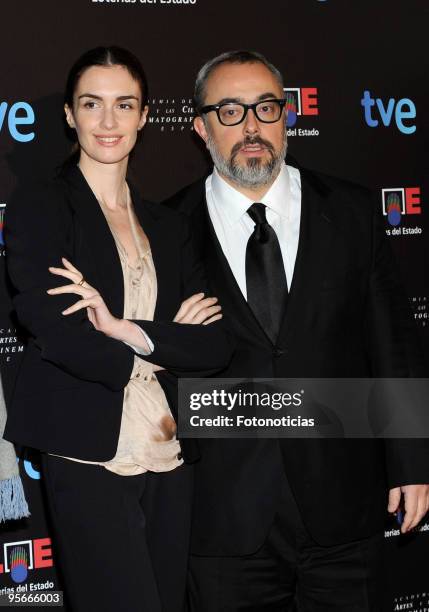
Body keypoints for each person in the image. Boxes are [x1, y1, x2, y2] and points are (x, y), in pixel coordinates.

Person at [165, 50, 429, 611]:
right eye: (230, 112)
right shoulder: (165, 231)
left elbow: (394, 347)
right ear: (200, 128)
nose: (252, 126)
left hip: (344, 506)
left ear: (287, 116)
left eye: (265, 107)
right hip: (222, 517)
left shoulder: (353, 213)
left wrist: (413, 464)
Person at [4, 46, 233, 612]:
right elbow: (56, 331)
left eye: (123, 104)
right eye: (92, 104)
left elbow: (212, 343)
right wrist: (158, 343)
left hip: (169, 449)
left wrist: (121, 326)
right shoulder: (42, 206)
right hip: (87, 453)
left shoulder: (169, 224)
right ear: (69, 115)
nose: (108, 122)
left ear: (145, 116)